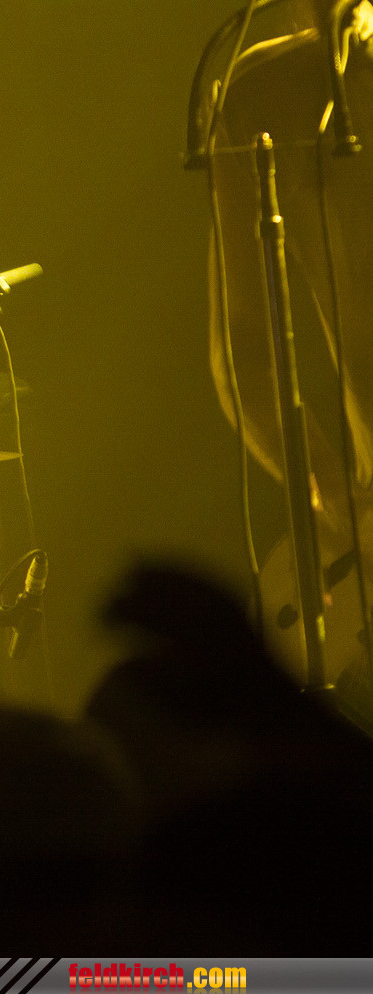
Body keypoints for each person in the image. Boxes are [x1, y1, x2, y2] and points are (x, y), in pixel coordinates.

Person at [204, 0, 373, 684]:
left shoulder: (263, 88)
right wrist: (333, 494)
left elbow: (242, 351)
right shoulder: (265, 91)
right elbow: (244, 348)